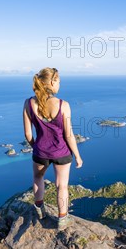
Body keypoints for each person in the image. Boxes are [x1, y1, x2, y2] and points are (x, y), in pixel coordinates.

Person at [23, 67, 83, 228]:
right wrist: (77, 156)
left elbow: (28, 134)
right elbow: (69, 135)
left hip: (40, 152)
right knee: (61, 185)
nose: (59, 85)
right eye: (59, 81)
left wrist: (36, 147)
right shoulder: (63, 105)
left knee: (38, 178)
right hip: (62, 152)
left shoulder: (29, 103)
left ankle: (40, 210)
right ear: (51, 82)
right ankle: (62, 219)